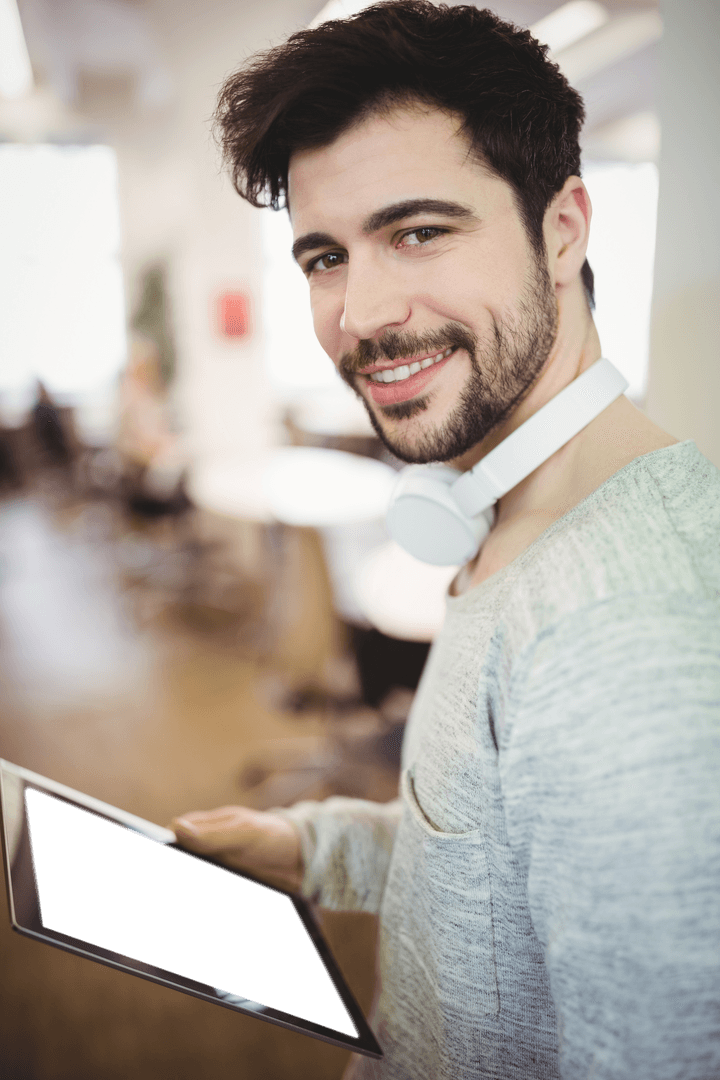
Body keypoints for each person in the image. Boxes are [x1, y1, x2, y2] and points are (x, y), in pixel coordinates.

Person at [170, 4, 720, 1077]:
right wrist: (311, 847)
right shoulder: (512, 514)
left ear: (562, 230)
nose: (360, 313)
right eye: (325, 256)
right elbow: (491, 859)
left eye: (418, 231)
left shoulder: (623, 636)